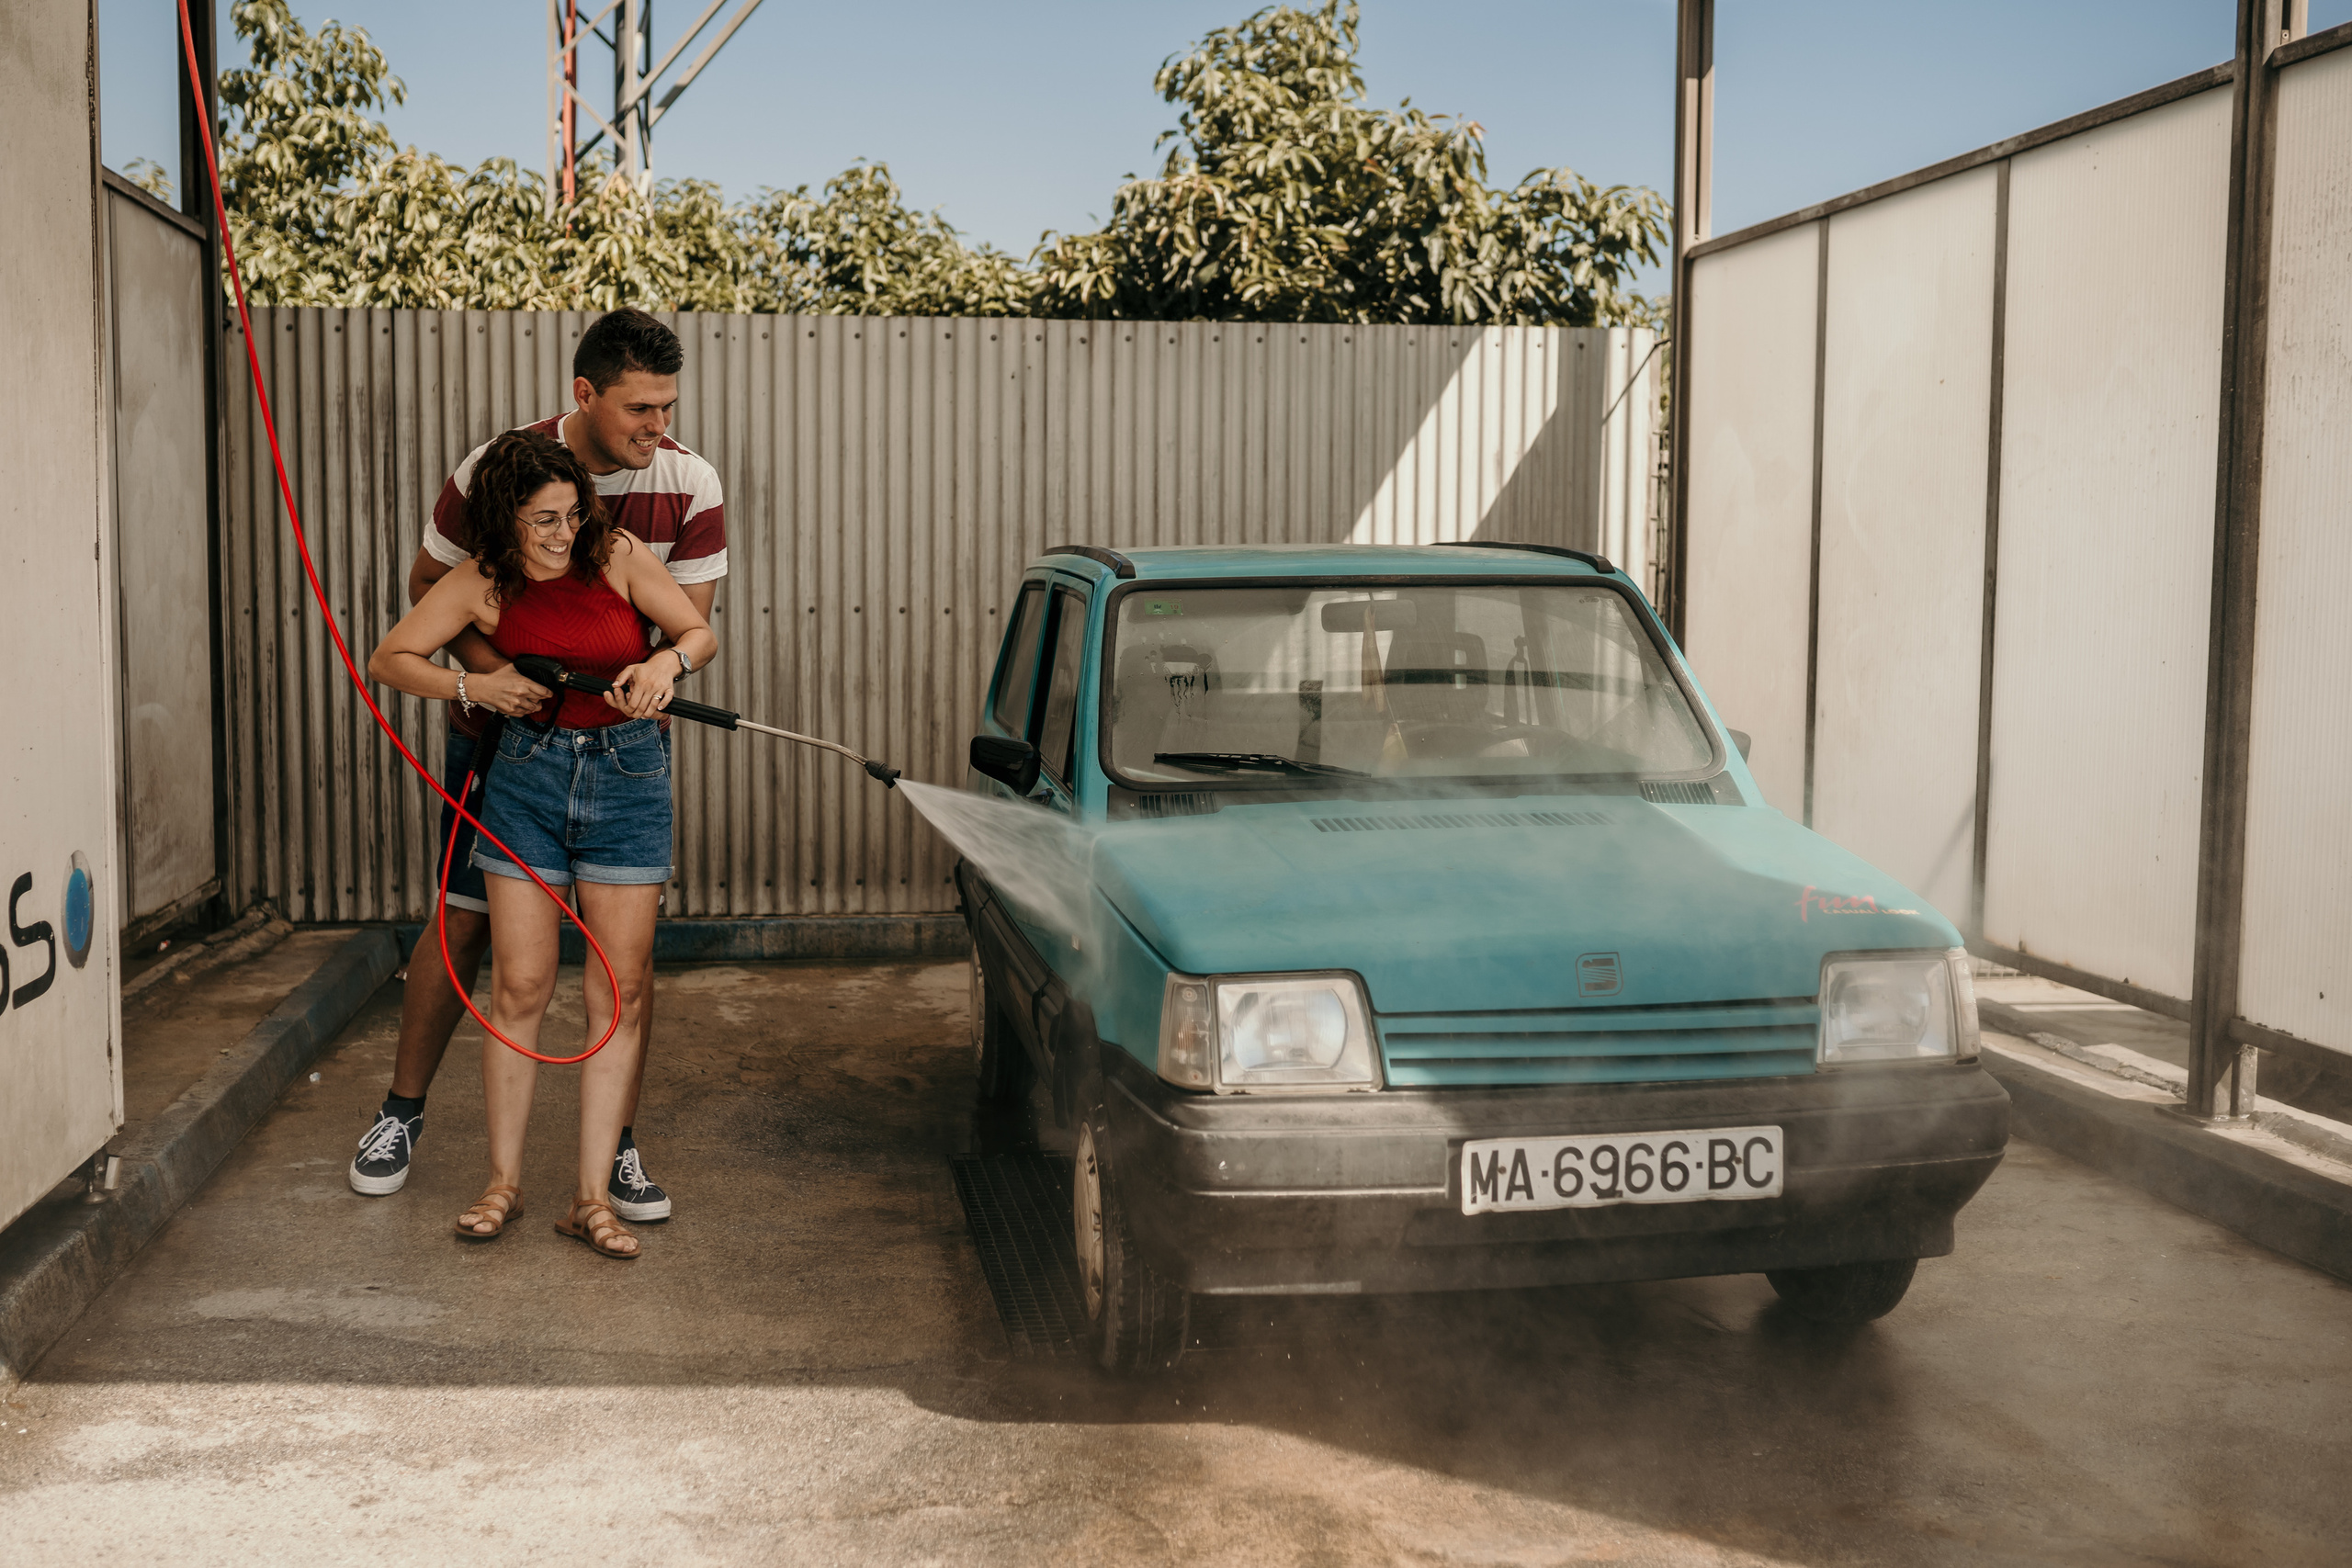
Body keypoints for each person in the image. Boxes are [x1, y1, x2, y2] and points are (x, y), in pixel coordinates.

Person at [347, 309, 726, 1218]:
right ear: (585, 394)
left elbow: (688, 624)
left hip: (622, 749)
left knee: (622, 967)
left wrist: (661, 669)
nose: (657, 427)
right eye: (639, 409)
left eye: (668, 408)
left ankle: (614, 1149)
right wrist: (498, 685)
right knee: (468, 925)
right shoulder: (498, 467)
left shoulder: (687, 482)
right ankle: (403, 1110)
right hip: (505, 742)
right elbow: (427, 591)